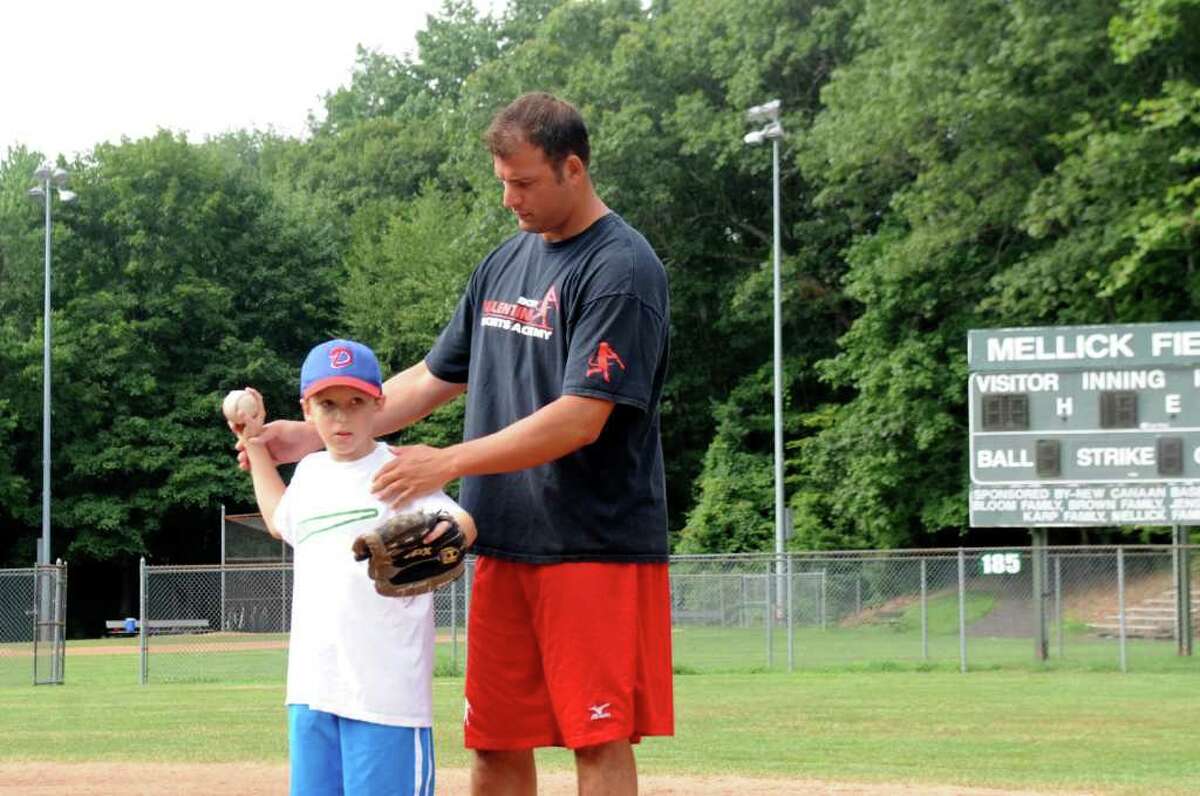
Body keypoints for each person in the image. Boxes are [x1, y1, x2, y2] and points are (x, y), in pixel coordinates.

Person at [241, 92, 673, 796]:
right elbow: (432, 377)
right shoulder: (504, 265)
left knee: (595, 738)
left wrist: (448, 462)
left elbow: (580, 417)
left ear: (573, 169)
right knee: (495, 743)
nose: (509, 199)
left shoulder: (621, 270)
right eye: (502, 182)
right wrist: (318, 435)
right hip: (502, 542)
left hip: (593, 546)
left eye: (524, 182)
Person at [235, 338, 476, 796]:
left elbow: (459, 519)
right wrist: (254, 444)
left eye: (355, 402)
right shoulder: (309, 473)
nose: (341, 417)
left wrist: (454, 533)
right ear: (307, 409)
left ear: (378, 404)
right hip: (312, 690)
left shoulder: (398, 470)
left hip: (385, 693)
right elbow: (278, 518)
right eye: (327, 404)